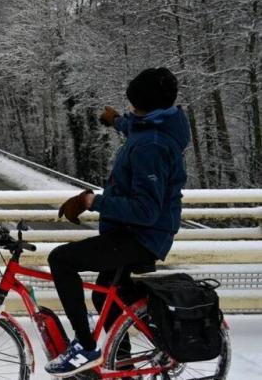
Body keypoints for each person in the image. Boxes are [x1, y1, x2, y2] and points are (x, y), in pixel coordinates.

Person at [44, 67, 191, 377]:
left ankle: (84, 348)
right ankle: (121, 367)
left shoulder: (151, 146)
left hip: (142, 236)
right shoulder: (159, 124)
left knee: (61, 260)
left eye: (132, 103)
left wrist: (90, 202)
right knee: (103, 295)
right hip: (134, 231)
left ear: (144, 104)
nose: (128, 108)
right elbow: (138, 127)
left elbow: (146, 210)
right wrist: (116, 123)